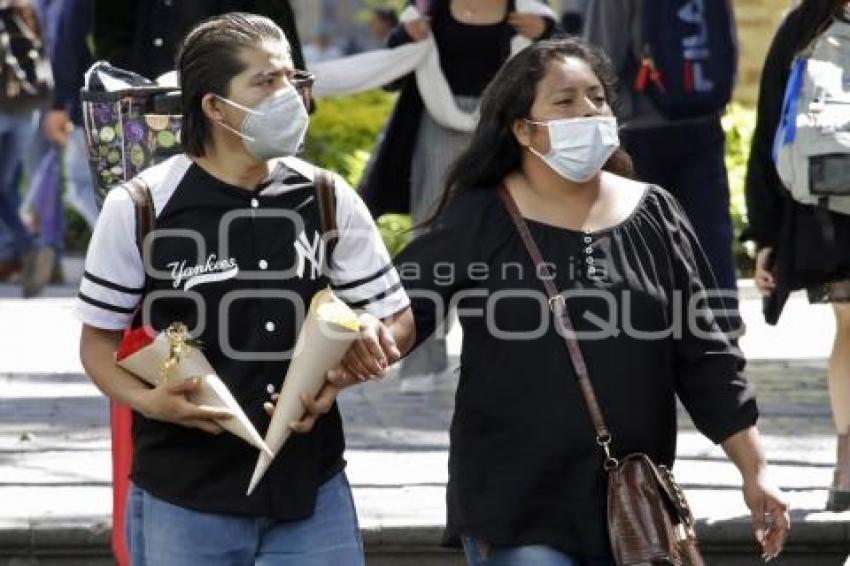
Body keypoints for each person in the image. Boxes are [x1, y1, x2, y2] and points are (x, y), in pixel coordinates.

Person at [336, 38, 790, 565]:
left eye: (597, 97)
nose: (589, 112)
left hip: (632, 506)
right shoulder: (481, 216)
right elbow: (407, 308)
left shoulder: (656, 214)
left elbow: (709, 358)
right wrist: (350, 357)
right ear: (523, 130)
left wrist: (756, 472)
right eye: (566, 100)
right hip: (514, 506)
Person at [76, 13, 411, 565]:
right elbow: (97, 346)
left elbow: (394, 314)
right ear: (213, 106)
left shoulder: (327, 196)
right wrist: (151, 403)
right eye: (264, 81)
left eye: (290, 78)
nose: (289, 95)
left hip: (312, 491)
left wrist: (354, 359)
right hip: (184, 496)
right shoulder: (142, 205)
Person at [360, 0, 560, 392]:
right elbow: (391, 75)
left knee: (513, 237)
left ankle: (510, 352)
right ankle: (421, 362)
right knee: (432, 238)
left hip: (505, 132)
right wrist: (405, 36)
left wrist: (546, 34)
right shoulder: (427, 8)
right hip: (436, 131)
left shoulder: (529, 9)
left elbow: (564, 69)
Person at [745, 0, 850, 511]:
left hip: (826, 208)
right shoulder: (805, 23)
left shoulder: (806, 22)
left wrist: (766, 232)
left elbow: (770, 125)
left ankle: (849, 463)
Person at [584, 0, 739, 296]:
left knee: (643, 239)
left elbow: (601, 55)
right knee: (710, 236)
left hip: (642, 123)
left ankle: (654, 330)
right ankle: (722, 328)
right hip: (703, 116)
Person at [93, 0, 307, 80]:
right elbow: (110, 31)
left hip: (234, 100)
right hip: (151, 104)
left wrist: (296, 84)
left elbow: (275, 26)